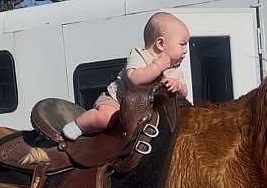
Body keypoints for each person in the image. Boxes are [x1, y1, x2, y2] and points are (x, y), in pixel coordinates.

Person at [62, 11, 190, 140]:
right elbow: (134, 79)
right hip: (116, 101)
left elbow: (184, 93)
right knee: (106, 118)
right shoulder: (140, 55)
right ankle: (78, 125)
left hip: (142, 110)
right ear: (160, 43)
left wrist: (178, 86)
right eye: (182, 44)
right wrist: (156, 67)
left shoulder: (174, 68)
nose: (185, 50)